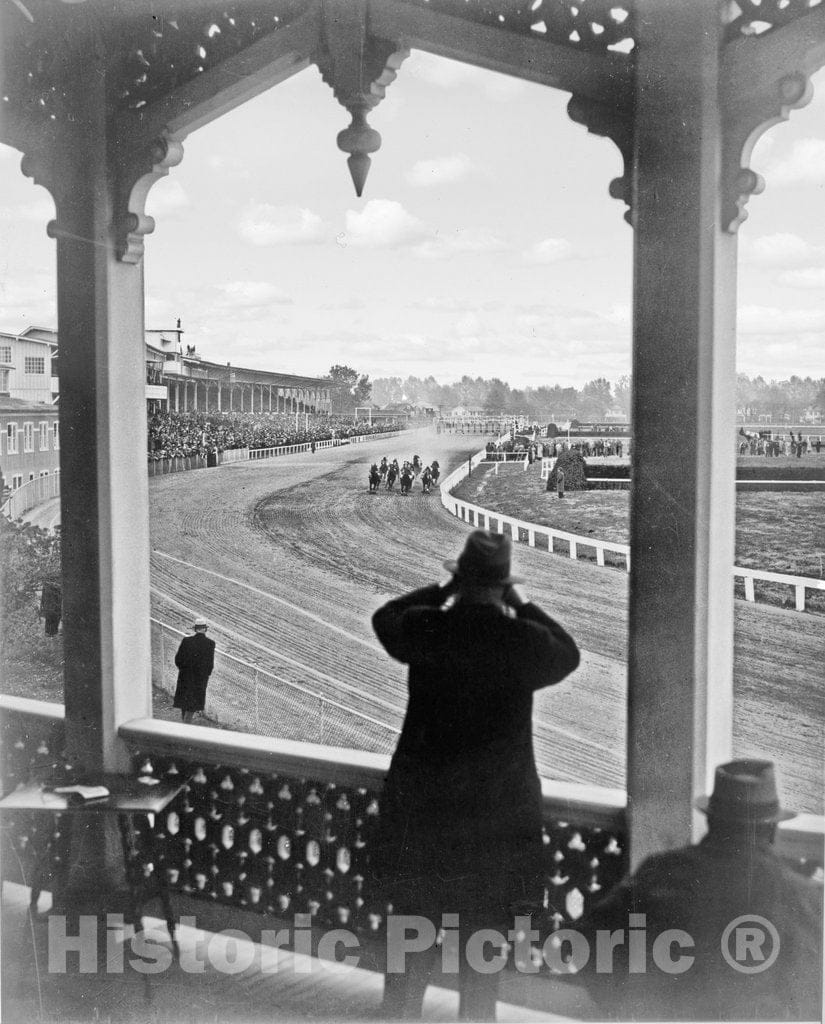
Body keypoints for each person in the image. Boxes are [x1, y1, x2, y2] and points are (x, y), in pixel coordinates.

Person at [371, 530, 580, 1021]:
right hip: (493, 825)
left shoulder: (428, 628)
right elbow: (568, 653)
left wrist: (439, 594)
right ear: (502, 585)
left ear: (460, 579)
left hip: (423, 817)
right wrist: (521, 602)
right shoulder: (521, 640)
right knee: (480, 958)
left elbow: (385, 618)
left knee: (409, 946)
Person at [576, 759, 823, 1021]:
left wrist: (625, 1007)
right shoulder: (803, 897)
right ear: (772, 828)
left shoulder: (661, 870)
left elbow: (586, 942)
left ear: (712, 821)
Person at [173, 617, 216, 724]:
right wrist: (205, 675)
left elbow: (178, 659)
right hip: (200, 680)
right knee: (192, 704)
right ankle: (186, 726)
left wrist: (184, 670)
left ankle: (185, 724)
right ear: (205, 629)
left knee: (185, 702)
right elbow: (210, 664)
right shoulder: (210, 644)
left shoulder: (186, 641)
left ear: (195, 629)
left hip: (185, 677)